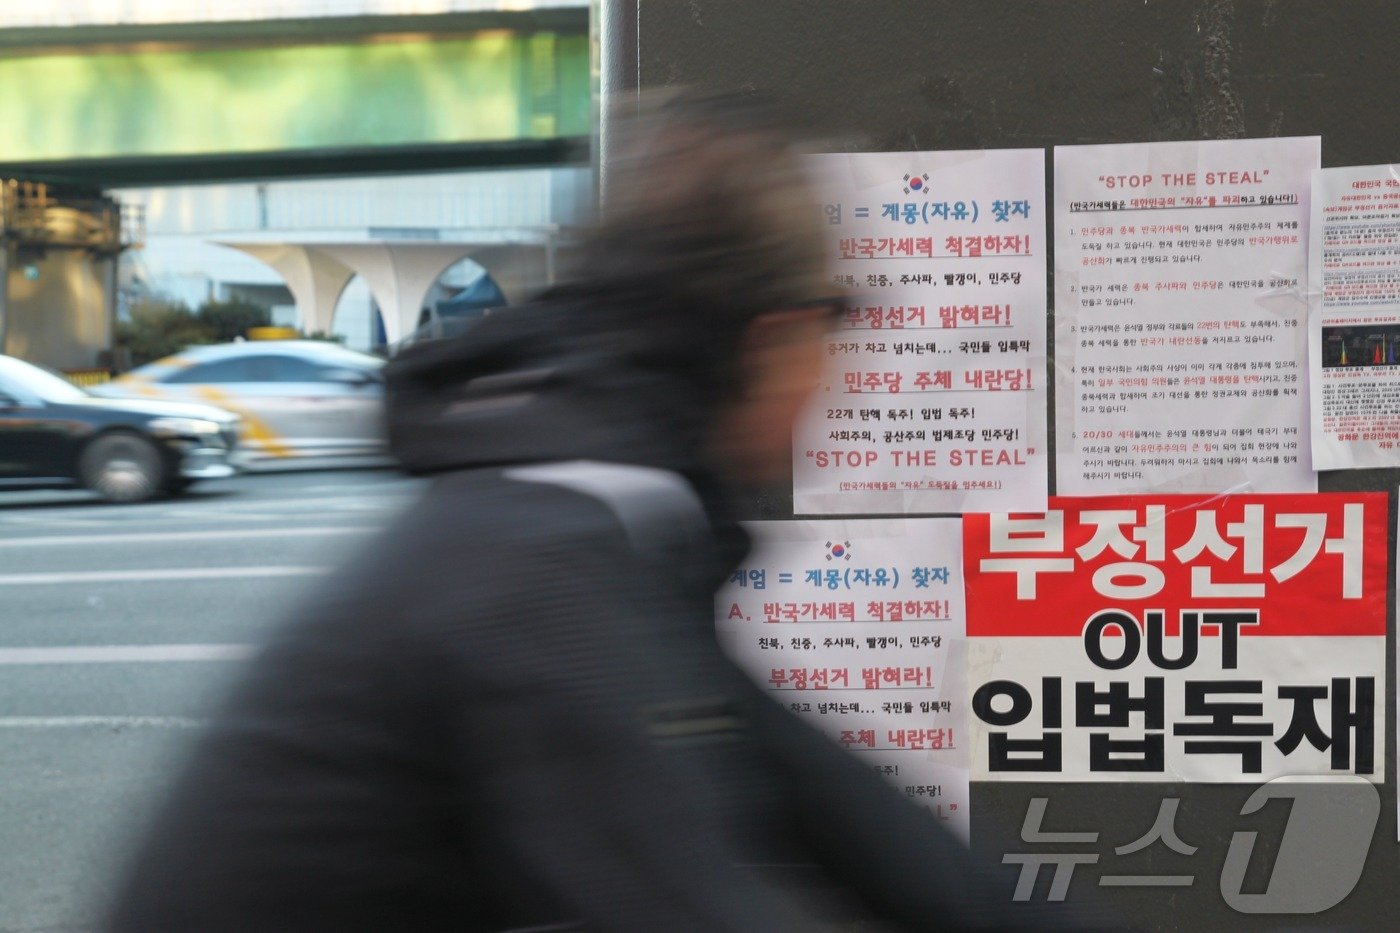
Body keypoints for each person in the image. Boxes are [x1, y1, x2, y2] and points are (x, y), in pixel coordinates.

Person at [107, 93, 1110, 931]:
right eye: (837, 327)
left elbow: (859, 823)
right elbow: (697, 900)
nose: (840, 379)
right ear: (772, 336)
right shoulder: (544, 563)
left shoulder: (599, 518)